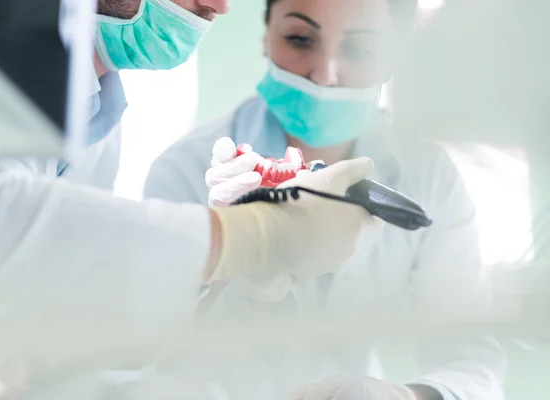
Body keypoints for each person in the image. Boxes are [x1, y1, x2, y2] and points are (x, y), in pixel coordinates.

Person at [0, 0, 376, 398]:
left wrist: (239, 287)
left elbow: (60, 320)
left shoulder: (98, 116)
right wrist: (245, 237)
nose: (220, 6)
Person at [144, 0, 506, 399]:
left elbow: (469, 354)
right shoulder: (187, 170)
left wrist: (407, 397)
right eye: (300, 39)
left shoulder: (429, 177)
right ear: (266, 37)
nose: (324, 75)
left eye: (361, 49)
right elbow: (154, 359)